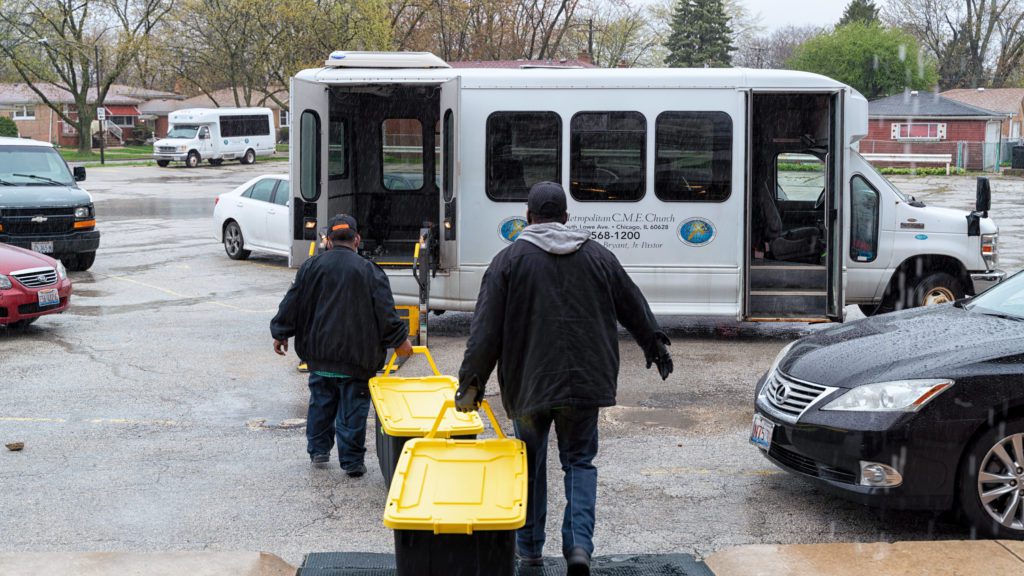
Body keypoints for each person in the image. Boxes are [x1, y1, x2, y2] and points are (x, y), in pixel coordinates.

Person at [455, 182, 672, 576]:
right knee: (579, 462)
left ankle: (530, 551)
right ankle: (577, 548)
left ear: (528, 217)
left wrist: (471, 382)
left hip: (528, 384)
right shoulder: (598, 256)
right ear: (567, 217)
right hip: (583, 384)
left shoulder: (508, 261)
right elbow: (632, 303)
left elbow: (484, 330)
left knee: (530, 464)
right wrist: (654, 344)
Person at [271, 214, 412, 477]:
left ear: (328, 241)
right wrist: (400, 341)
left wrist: (280, 332)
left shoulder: (311, 267)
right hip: (357, 360)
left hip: (320, 356)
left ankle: (319, 451)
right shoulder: (370, 270)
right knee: (353, 410)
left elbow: (292, 301)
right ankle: (352, 462)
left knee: (321, 403)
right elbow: (386, 312)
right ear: (357, 239)